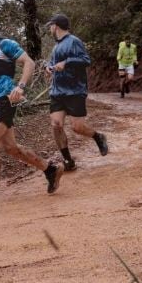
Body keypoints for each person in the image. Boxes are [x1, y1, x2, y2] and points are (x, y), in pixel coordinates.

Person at [0, 15, 63, 211]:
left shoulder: (4, 44)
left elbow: (29, 63)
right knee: (10, 148)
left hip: (6, 99)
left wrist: (21, 87)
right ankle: (50, 169)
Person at [44, 14, 108, 172]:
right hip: (57, 91)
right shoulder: (56, 46)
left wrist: (66, 63)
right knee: (56, 125)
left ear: (56, 26)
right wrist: (48, 66)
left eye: (51, 26)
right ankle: (68, 160)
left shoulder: (74, 41)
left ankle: (97, 136)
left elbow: (86, 60)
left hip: (75, 91)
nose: (50, 29)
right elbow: (53, 62)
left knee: (77, 127)